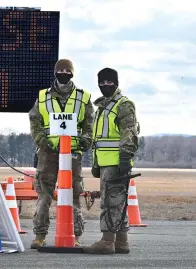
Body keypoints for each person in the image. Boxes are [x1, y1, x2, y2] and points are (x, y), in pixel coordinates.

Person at [28, 59, 94, 249]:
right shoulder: (42, 97)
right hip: (48, 153)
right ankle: (39, 236)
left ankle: (74, 235)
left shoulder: (84, 98)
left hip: (73, 154)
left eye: (67, 70)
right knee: (44, 196)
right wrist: (42, 140)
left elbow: (90, 124)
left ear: (72, 73)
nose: (64, 73)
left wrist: (85, 141)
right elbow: (35, 121)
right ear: (55, 73)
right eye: (61, 70)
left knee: (73, 195)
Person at [82, 67, 139, 254]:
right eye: (102, 82)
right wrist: (97, 163)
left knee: (111, 202)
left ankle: (107, 242)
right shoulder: (103, 107)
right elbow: (100, 139)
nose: (105, 85)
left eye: (109, 82)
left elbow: (129, 133)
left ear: (116, 82)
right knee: (118, 202)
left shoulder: (123, 104)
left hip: (116, 162)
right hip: (106, 162)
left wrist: (124, 158)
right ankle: (121, 242)